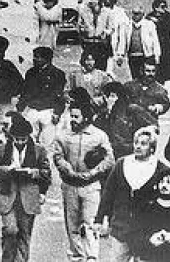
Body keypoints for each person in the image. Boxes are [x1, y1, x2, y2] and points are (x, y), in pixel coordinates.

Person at [94, 126, 169, 262]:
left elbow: (167, 196)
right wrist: (99, 219)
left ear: (152, 148)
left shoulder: (160, 169)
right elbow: (108, 194)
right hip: (121, 227)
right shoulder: (121, 164)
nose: (138, 147)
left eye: (143, 144)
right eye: (136, 143)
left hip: (145, 230)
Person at [52, 96, 114, 262]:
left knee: (90, 222)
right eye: (71, 116)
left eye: (76, 116)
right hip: (69, 185)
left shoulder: (99, 136)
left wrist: (93, 173)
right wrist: (68, 169)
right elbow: (58, 156)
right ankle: (77, 256)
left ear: (86, 117)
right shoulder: (63, 136)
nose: (72, 119)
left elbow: (109, 159)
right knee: (72, 224)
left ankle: (92, 257)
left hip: (91, 186)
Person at [0, 114, 51, 262]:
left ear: (28, 137)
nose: (20, 142)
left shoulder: (39, 150)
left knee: (24, 234)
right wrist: (7, 169)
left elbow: (47, 173)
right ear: (12, 137)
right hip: (8, 194)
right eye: (17, 139)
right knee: (10, 230)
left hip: (28, 196)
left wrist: (33, 172)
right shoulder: (2, 149)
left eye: (23, 139)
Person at [16, 46, 66, 147]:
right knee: (30, 140)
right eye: (34, 57)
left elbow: (60, 95)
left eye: (38, 57)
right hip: (32, 111)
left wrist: (57, 112)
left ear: (46, 59)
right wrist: (20, 109)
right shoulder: (30, 73)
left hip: (48, 111)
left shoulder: (58, 74)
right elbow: (25, 92)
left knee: (48, 141)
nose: (34, 59)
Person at [96, 81, 157, 159]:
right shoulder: (103, 114)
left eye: (110, 96)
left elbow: (154, 126)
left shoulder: (132, 109)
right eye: (104, 97)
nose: (105, 100)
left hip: (131, 153)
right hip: (111, 154)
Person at [117, 7, 161, 81]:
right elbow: (122, 40)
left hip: (146, 55)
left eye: (138, 14)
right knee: (135, 76)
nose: (135, 16)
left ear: (142, 15)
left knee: (145, 75)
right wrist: (120, 54)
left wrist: (157, 55)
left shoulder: (149, 24)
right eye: (134, 13)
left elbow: (155, 41)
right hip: (132, 56)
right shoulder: (126, 25)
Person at [147, 0, 170, 83]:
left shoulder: (167, 16)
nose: (164, 9)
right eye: (162, 7)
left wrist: (158, 22)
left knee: (166, 68)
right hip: (154, 45)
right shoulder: (149, 17)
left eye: (165, 7)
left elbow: (169, 27)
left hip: (166, 46)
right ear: (155, 7)